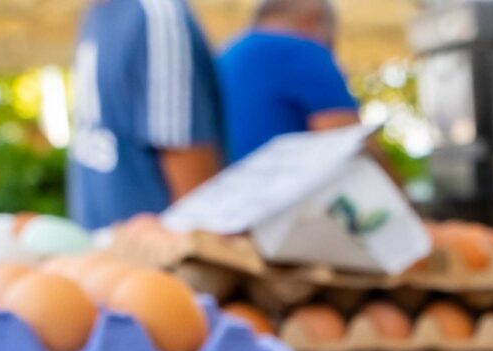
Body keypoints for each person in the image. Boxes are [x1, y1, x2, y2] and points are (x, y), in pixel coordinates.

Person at [69, 0, 225, 228]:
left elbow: (196, 198)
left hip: (156, 257)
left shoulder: (155, 15)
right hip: (103, 252)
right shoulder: (97, 14)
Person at [217, 0, 361, 162]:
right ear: (313, 18)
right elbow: (351, 148)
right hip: (281, 184)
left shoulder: (223, 56)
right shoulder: (303, 50)